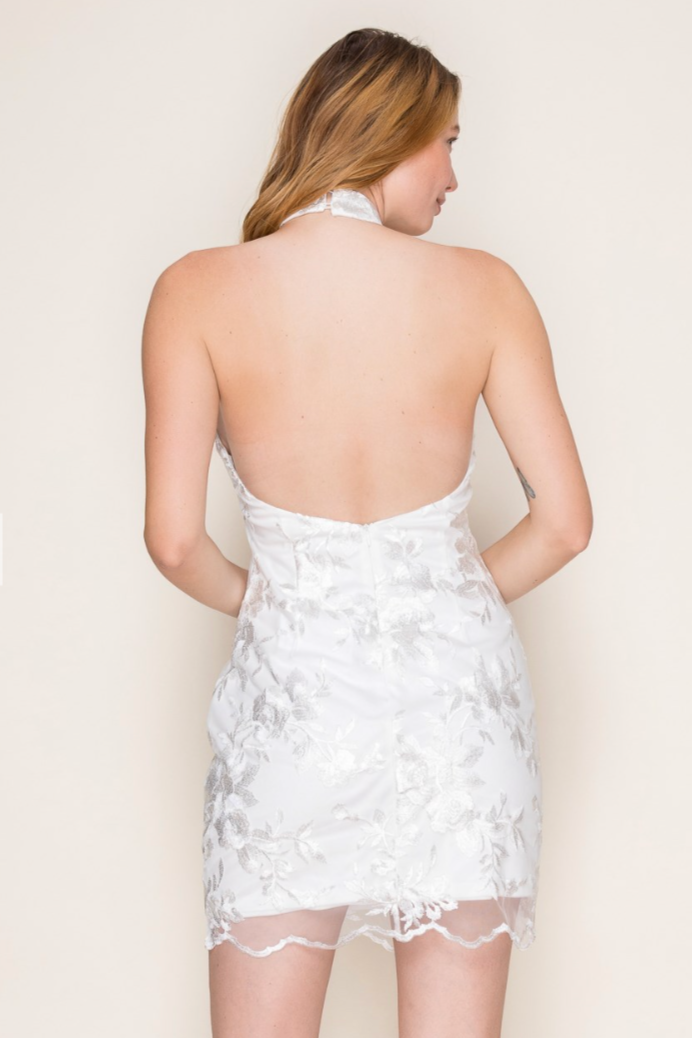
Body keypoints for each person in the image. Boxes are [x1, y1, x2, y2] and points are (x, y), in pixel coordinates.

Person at [142, 27, 592, 1038]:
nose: (453, 177)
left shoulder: (194, 290)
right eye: (447, 142)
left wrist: (269, 597)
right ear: (392, 131)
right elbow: (563, 523)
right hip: (457, 715)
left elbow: (173, 540)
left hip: (295, 704)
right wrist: (433, 596)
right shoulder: (486, 289)